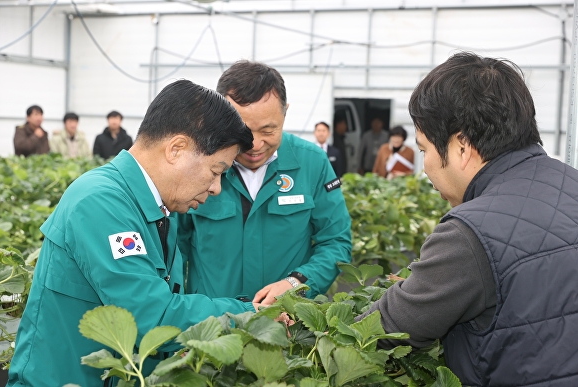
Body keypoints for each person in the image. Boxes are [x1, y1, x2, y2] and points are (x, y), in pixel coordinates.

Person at [7, 80, 255, 387]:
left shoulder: (162, 207)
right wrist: (249, 314)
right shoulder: (99, 201)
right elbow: (153, 316)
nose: (216, 187)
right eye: (216, 171)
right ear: (176, 149)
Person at [357, 52, 578, 385]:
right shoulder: (571, 181)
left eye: (424, 150)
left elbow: (388, 328)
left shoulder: (469, 233)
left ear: (462, 146)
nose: (426, 166)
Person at [177, 60, 352, 305]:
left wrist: (297, 283)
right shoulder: (196, 163)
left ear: (285, 112)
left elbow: (335, 242)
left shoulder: (312, 163)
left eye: (269, 131)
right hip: (211, 327)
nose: (256, 145)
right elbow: (173, 245)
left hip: (285, 326)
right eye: (243, 132)